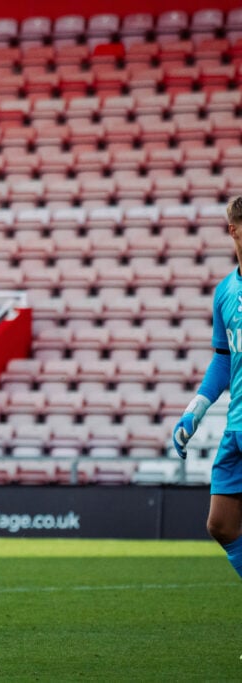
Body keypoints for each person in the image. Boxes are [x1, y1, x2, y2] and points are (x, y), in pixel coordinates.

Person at [173, 195, 242, 581]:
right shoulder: (225, 293)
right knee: (221, 524)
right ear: (233, 231)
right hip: (235, 426)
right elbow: (223, 358)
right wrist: (195, 411)